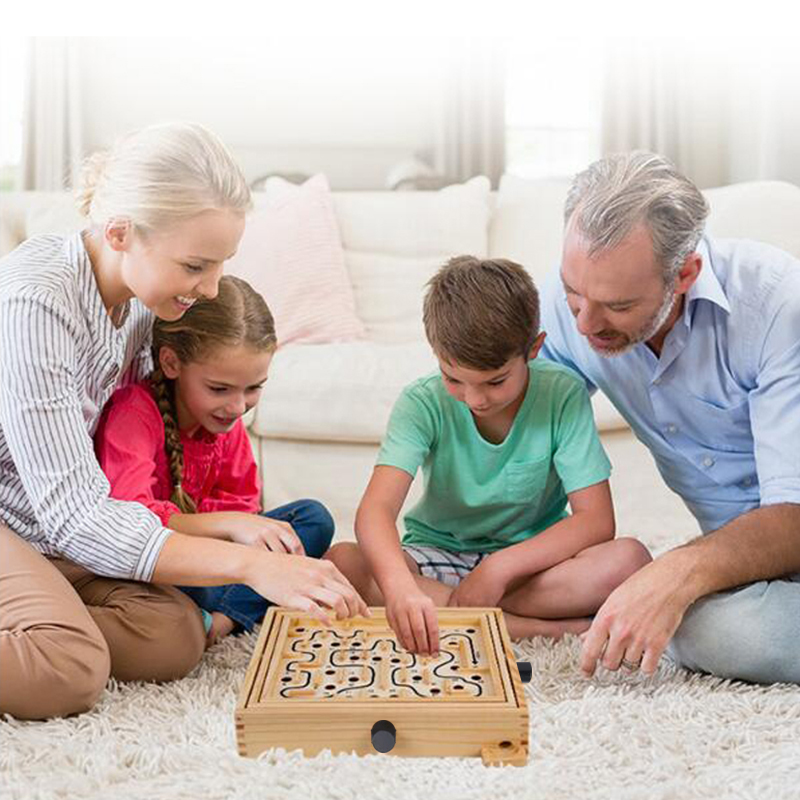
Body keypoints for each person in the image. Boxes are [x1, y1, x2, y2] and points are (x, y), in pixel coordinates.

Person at [0, 122, 367, 720]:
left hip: (48, 534)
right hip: (17, 520)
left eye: (221, 264)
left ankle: (42, 619)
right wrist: (252, 562)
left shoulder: (143, 307)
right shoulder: (38, 299)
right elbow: (74, 513)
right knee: (70, 669)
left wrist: (240, 533)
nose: (212, 286)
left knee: (173, 635)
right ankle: (54, 637)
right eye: (197, 265)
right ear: (120, 232)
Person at [539, 151, 800, 684]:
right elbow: (507, 423)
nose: (586, 321)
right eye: (573, 291)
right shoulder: (574, 303)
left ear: (684, 274)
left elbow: (794, 515)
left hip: (784, 534)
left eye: (616, 305)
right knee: (686, 620)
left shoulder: (777, 307)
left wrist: (678, 571)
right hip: (744, 574)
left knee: (727, 631)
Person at [325, 256, 651, 655]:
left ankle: (467, 610)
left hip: (529, 567)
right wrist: (401, 592)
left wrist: (498, 569)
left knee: (630, 560)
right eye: (453, 379)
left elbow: (597, 521)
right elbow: (375, 512)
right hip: (437, 555)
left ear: (534, 349)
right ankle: (528, 628)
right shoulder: (420, 403)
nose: (475, 399)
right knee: (343, 562)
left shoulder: (562, 393)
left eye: (495, 381)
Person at [94, 274, 338, 645]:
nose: (238, 407)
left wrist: (245, 535)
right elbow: (132, 519)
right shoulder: (135, 413)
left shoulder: (225, 423)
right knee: (194, 590)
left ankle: (220, 622)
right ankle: (229, 610)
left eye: (254, 388)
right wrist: (232, 530)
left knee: (312, 519)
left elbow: (242, 504)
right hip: (160, 563)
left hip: (220, 564)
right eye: (219, 389)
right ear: (172, 363)